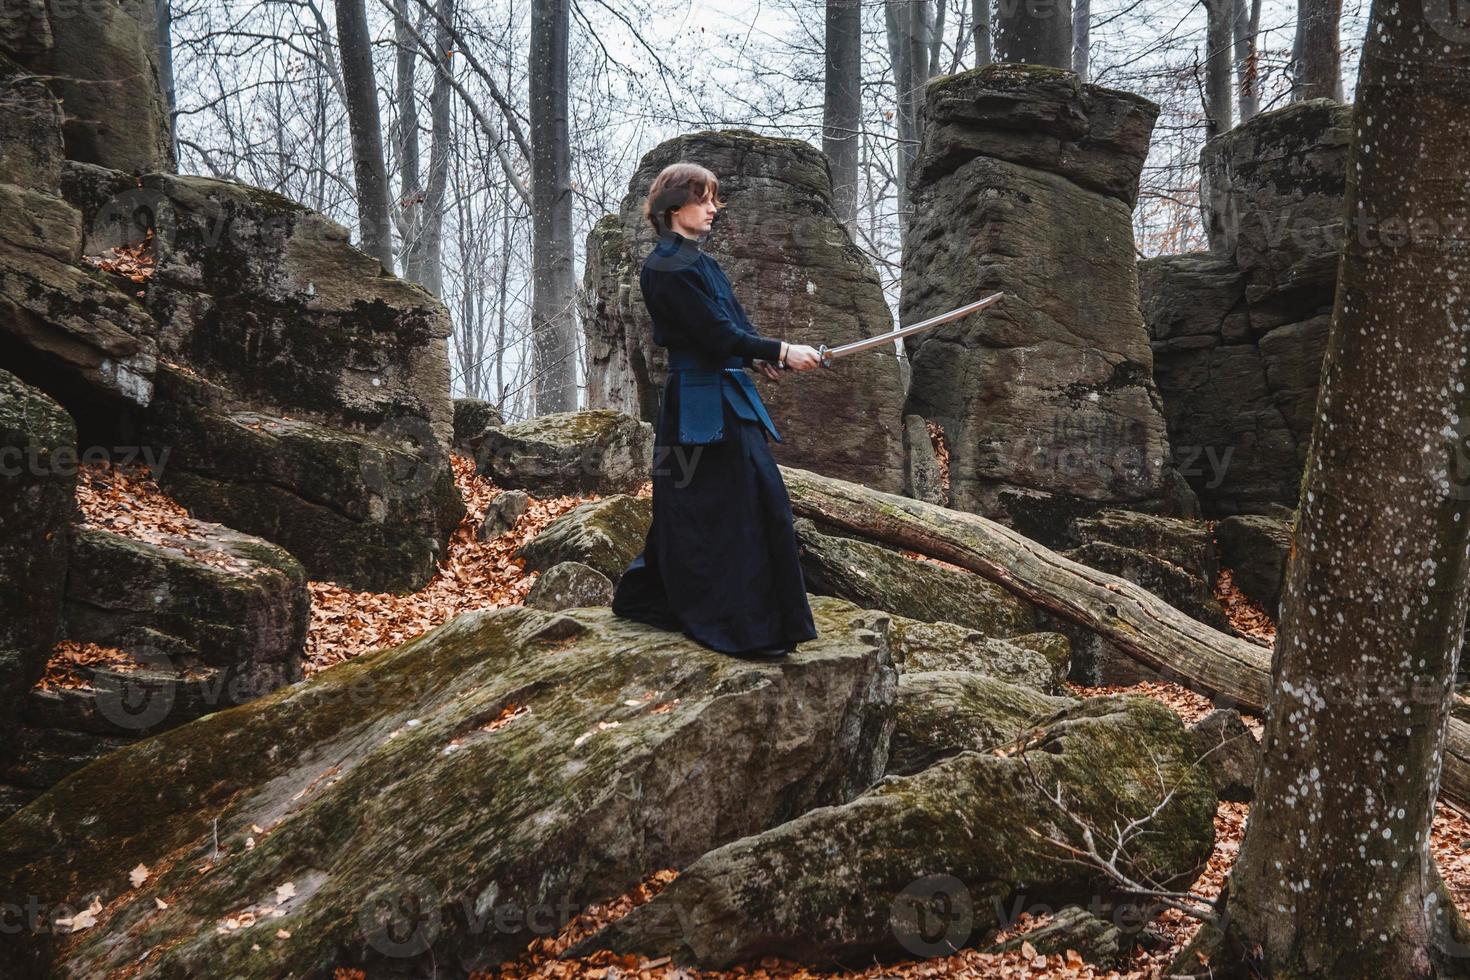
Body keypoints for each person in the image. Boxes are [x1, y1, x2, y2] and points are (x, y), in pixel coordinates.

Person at [611, 161, 824, 658]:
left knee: (748, 498)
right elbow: (712, 334)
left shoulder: (701, 263)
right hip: (693, 408)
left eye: (714, 199)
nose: (713, 209)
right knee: (694, 503)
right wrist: (777, 349)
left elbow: (729, 329)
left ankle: (733, 612)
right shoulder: (663, 267)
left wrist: (755, 357)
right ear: (674, 205)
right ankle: (734, 622)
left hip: (725, 397)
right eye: (704, 199)